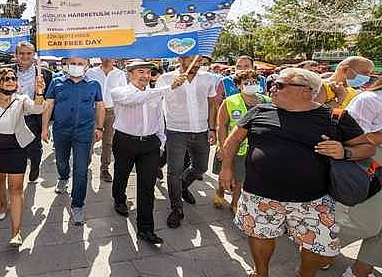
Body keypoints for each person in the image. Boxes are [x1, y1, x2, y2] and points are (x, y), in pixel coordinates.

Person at [219, 68, 375, 277]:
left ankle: (304, 273)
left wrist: (345, 151)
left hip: (313, 200)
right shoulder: (259, 111)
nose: (272, 87)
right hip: (258, 195)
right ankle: (261, 272)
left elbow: (367, 148)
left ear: (306, 91)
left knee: (318, 248)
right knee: (259, 236)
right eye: (273, 83)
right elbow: (234, 139)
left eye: (280, 85)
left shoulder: (335, 117)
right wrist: (226, 168)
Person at [110, 60, 187, 245]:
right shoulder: (119, 92)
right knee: (121, 175)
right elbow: (134, 99)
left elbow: (159, 118)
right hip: (125, 142)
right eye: (140, 72)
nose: (145, 76)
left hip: (150, 146)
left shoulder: (155, 94)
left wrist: (160, 142)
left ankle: (145, 229)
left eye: (148, 72)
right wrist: (168, 88)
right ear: (130, 74)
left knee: (147, 186)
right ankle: (119, 199)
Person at [339, 62, 382, 277]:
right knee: (365, 223)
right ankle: (318, 246)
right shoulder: (369, 99)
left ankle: (360, 271)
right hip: (375, 163)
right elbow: (353, 138)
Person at [0, 68, 45, 246]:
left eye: (13, 78)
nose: (10, 81)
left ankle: (16, 233)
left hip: (16, 147)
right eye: (6, 78)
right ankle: (3, 204)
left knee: (16, 189)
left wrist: (39, 91)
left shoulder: (21, 99)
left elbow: (38, 108)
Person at [156, 55, 217, 228]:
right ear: (181, 59)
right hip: (176, 131)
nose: (197, 64)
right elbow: (155, 99)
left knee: (201, 167)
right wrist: (171, 86)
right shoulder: (165, 78)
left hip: (201, 131)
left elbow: (212, 103)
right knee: (174, 172)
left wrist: (212, 128)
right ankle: (176, 209)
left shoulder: (208, 78)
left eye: (200, 61)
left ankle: (182, 187)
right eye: (193, 60)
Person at [41, 57, 104, 225]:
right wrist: (44, 128)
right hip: (61, 130)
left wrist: (99, 127)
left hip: (84, 132)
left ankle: (77, 205)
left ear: (87, 65)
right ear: (67, 65)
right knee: (61, 160)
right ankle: (63, 177)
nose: (76, 66)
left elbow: (99, 106)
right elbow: (49, 105)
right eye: (73, 63)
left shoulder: (94, 85)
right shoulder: (56, 82)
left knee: (81, 168)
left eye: (80, 63)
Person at [213, 70, 270, 214]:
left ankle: (235, 203)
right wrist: (222, 147)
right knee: (226, 174)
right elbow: (221, 126)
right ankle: (220, 191)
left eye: (254, 82)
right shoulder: (230, 102)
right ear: (239, 86)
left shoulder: (267, 102)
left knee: (241, 179)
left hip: (254, 149)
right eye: (247, 83)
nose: (251, 85)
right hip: (232, 147)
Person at [13, 42, 53, 182]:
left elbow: (49, 101)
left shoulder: (45, 74)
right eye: (21, 53)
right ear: (16, 55)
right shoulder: (8, 72)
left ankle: (35, 166)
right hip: (13, 117)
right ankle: (17, 176)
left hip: (34, 118)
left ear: (34, 55)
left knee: (34, 149)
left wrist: (45, 125)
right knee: (16, 149)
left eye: (29, 53)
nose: (25, 56)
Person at [84, 58, 127, 182]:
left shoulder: (120, 74)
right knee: (90, 139)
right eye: (105, 55)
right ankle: (85, 165)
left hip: (111, 111)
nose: (107, 58)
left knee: (108, 142)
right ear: (101, 57)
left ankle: (105, 168)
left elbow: (122, 94)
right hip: (93, 111)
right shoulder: (91, 72)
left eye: (111, 56)